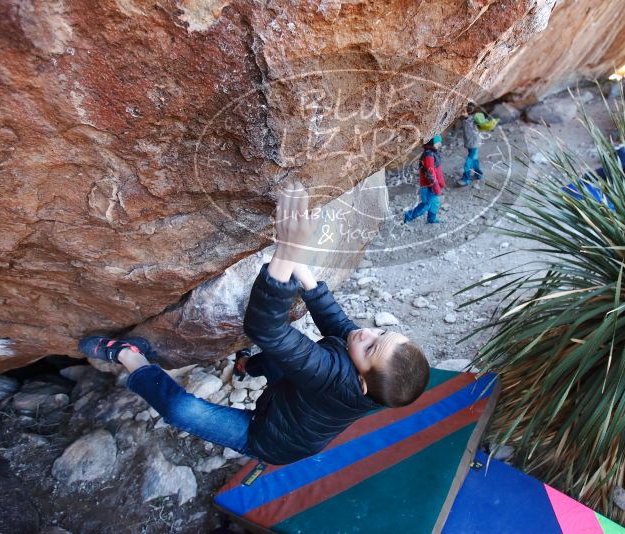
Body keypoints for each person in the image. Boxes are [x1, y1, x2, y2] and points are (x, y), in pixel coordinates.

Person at [78, 183, 430, 466]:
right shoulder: (363, 363)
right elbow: (334, 319)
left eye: (371, 345)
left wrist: (287, 250)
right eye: (381, 331)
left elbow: (266, 328)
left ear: (361, 383)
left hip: (270, 439)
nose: (367, 332)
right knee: (280, 360)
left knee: (181, 410)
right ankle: (248, 365)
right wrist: (300, 262)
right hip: (295, 399)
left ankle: (128, 354)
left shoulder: (333, 377)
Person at [404, 136, 445, 224]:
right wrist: (435, 186)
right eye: (438, 142)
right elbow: (430, 174)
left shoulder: (433, 153)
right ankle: (409, 215)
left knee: (435, 204)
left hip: (434, 185)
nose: (440, 144)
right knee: (426, 205)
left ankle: (431, 219)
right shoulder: (428, 156)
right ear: (432, 143)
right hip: (429, 186)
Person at [458, 102, 484, 187]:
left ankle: (465, 179)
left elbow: (468, 121)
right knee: (474, 159)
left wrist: (465, 116)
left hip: (474, 143)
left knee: (468, 162)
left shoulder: (472, 119)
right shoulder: (467, 119)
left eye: (467, 109)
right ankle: (478, 174)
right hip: (472, 143)